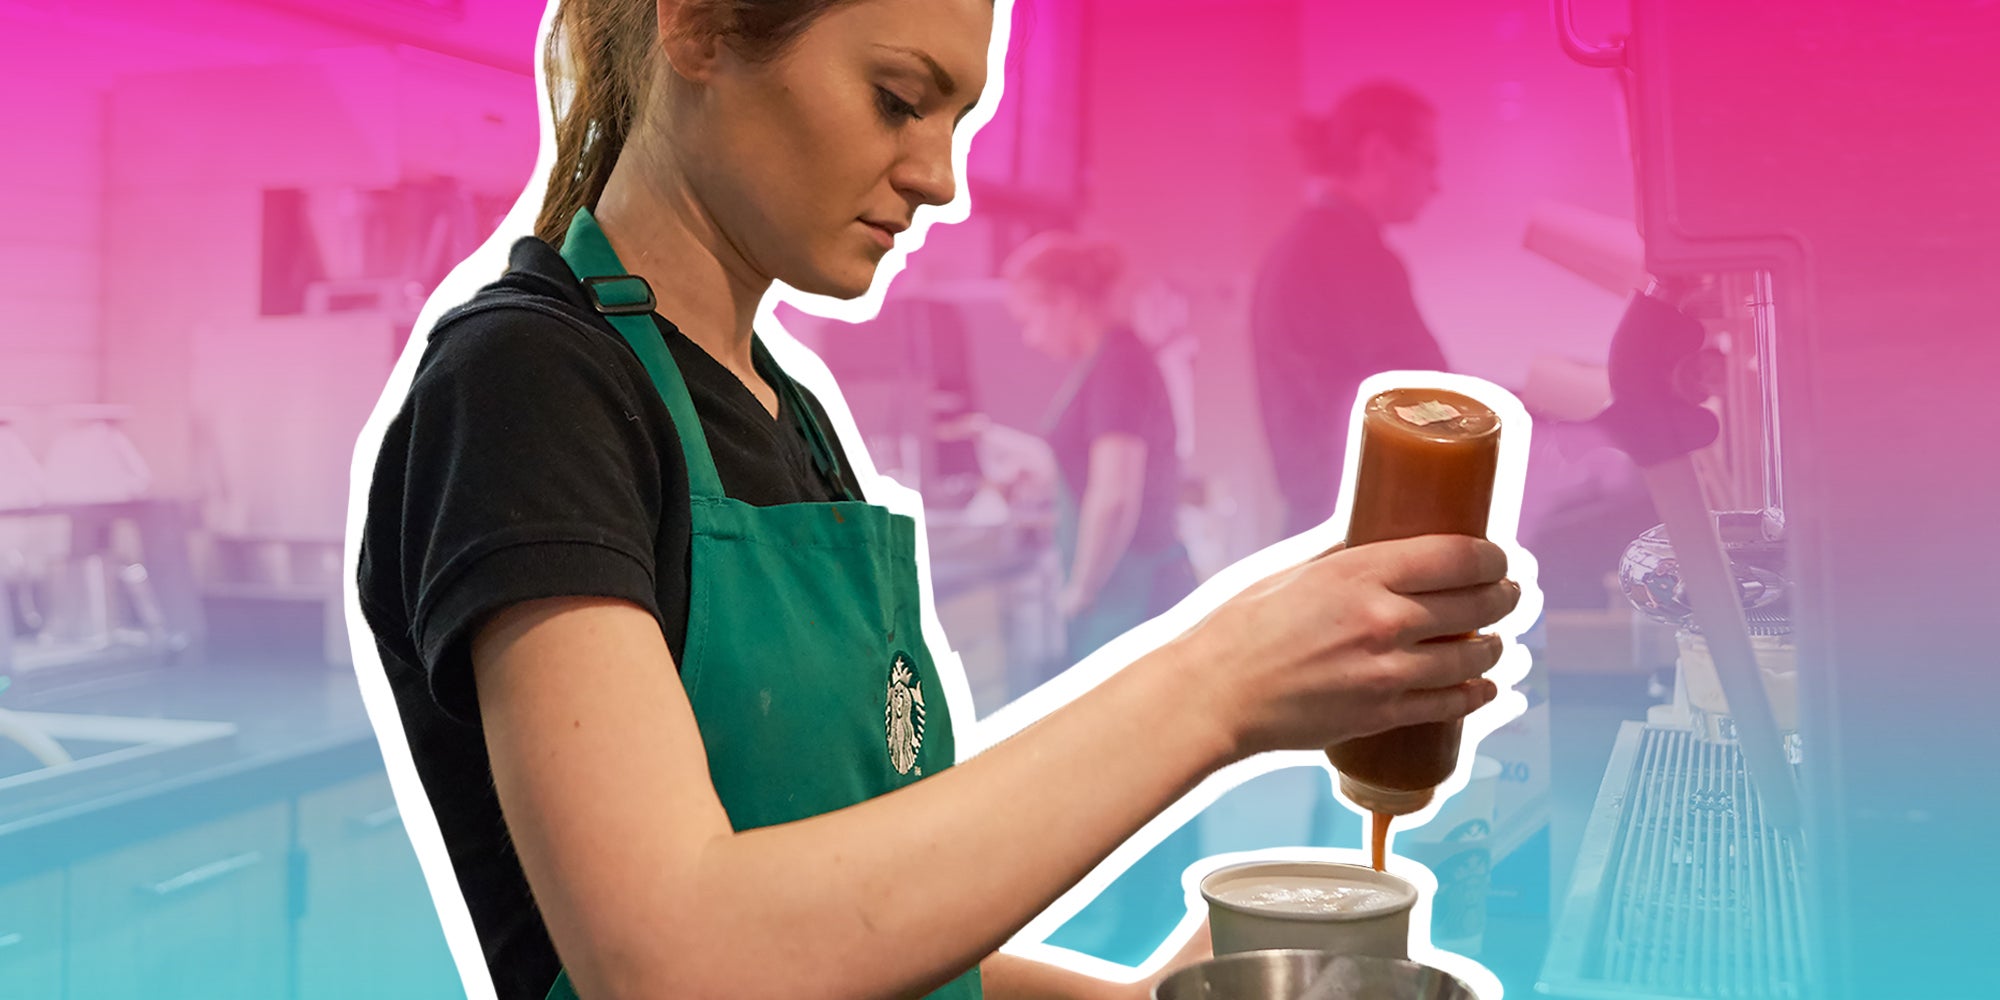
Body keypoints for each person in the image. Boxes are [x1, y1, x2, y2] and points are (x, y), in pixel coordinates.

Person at [356, 3, 1519, 998]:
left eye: (956, 118)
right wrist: (1215, 684)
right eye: (898, 99)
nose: (941, 176)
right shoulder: (526, 385)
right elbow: (680, 956)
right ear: (699, 26)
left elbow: (855, 937)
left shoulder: (788, 418)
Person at [1251, 80, 1450, 539]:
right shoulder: (1352, 253)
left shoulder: (1302, 247)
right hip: (1362, 528)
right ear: (1379, 153)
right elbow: (1423, 393)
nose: (1437, 184)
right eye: (1429, 161)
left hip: (1323, 521)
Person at [1002, 233, 1197, 663]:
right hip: (1126, 588)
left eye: (1029, 319)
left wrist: (1080, 592)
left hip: (1136, 593)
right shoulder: (1108, 361)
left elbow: (1114, 497)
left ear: (1066, 302)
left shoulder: (1119, 365)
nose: (1030, 338)